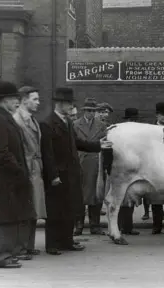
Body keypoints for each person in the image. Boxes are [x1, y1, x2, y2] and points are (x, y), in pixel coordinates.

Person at [40, 87, 109, 255]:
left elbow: (77, 143)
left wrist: (98, 146)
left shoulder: (67, 122)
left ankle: (67, 241)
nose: (71, 107)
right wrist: (53, 175)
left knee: (69, 208)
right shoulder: (48, 123)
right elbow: (47, 153)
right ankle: (52, 244)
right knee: (55, 211)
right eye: (69, 103)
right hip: (58, 175)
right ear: (60, 104)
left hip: (71, 173)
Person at [0, 81, 35, 268]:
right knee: (4, 217)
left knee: (10, 215)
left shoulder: (4, 117)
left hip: (11, 176)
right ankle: (0, 257)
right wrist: (18, 170)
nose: (17, 101)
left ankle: (6, 254)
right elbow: (1, 151)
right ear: (3, 99)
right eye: (14, 98)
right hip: (7, 177)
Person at [12, 86, 48, 257]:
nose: (38, 103)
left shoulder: (31, 119)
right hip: (26, 168)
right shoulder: (17, 120)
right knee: (24, 208)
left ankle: (28, 245)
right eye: (35, 99)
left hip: (35, 168)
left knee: (33, 208)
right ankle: (20, 248)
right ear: (24, 100)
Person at [73, 98, 108, 236]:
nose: (91, 113)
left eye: (93, 111)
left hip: (96, 163)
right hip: (80, 162)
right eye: (88, 111)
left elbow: (105, 143)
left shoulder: (102, 125)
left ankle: (95, 225)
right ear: (84, 111)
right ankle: (79, 225)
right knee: (79, 196)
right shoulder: (75, 124)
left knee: (96, 195)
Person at [117, 108, 141, 236]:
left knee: (130, 199)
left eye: (134, 119)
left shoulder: (136, 133)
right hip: (123, 165)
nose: (133, 122)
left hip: (133, 166)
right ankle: (121, 226)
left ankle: (127, 226)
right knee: (120, 198)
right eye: (131, 119)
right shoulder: (123, 133)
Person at [150, 102, 164, 234]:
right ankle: (156, 225)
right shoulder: (150, 129)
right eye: (163, 115)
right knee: (155, 195)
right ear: (157, 115)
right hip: (155, 164)